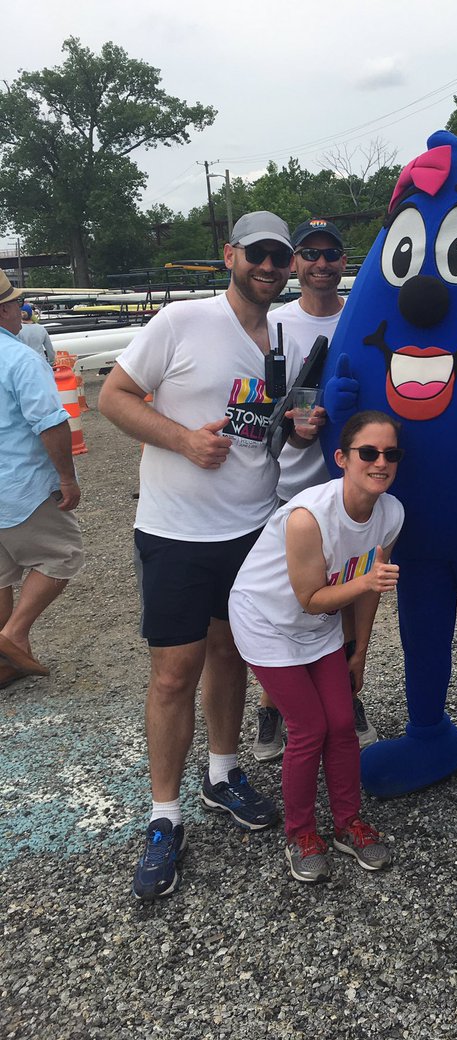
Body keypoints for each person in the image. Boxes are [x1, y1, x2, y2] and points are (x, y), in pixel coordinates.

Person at [98, 210, 304, 900]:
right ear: (230, 256)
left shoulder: (281, 339)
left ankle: (221, 774)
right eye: (259, 254)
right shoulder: (181, 321)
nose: (270, 266)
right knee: (171, 675)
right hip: (176, 531)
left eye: (281, 256)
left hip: (249, 530)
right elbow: (112, 397)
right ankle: (164, 818)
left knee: (231, 656)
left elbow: (268, 437)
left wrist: (299, 428)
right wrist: (184, 440)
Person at [229, 410, 404, 883]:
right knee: (309, 728)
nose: (380, 462)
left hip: (321, 620)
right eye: (368, 452)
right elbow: (309, 598)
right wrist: (368, 581)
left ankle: (348, 823)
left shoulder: (390, 513)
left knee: (343, 721)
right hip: (266, 618)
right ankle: (301, 833)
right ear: (342, 458)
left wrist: (359, 650)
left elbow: (369, 590)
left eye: (391, 453)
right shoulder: (309, 517)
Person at [251, 219, 378, 760]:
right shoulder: (270, 325)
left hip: (348, 490)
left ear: (344, 261)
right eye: (310, 253)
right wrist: (289, 426)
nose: (322, 263)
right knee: (289, 601)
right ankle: (273, 705)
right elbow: (253, 407)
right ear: (295, 262)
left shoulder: (364, 319)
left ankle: (349, 691)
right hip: (289, 489)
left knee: (350, 593)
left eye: (332, 253)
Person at [0, 271, 84, 689]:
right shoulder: (18, 358)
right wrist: (67, 478)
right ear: (4, 310)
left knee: (2, 572)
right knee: (61, 554)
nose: (20, 309)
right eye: (15, 303)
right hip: (21, 483)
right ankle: (11, 637)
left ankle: (6, 663)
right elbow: (50, 423)